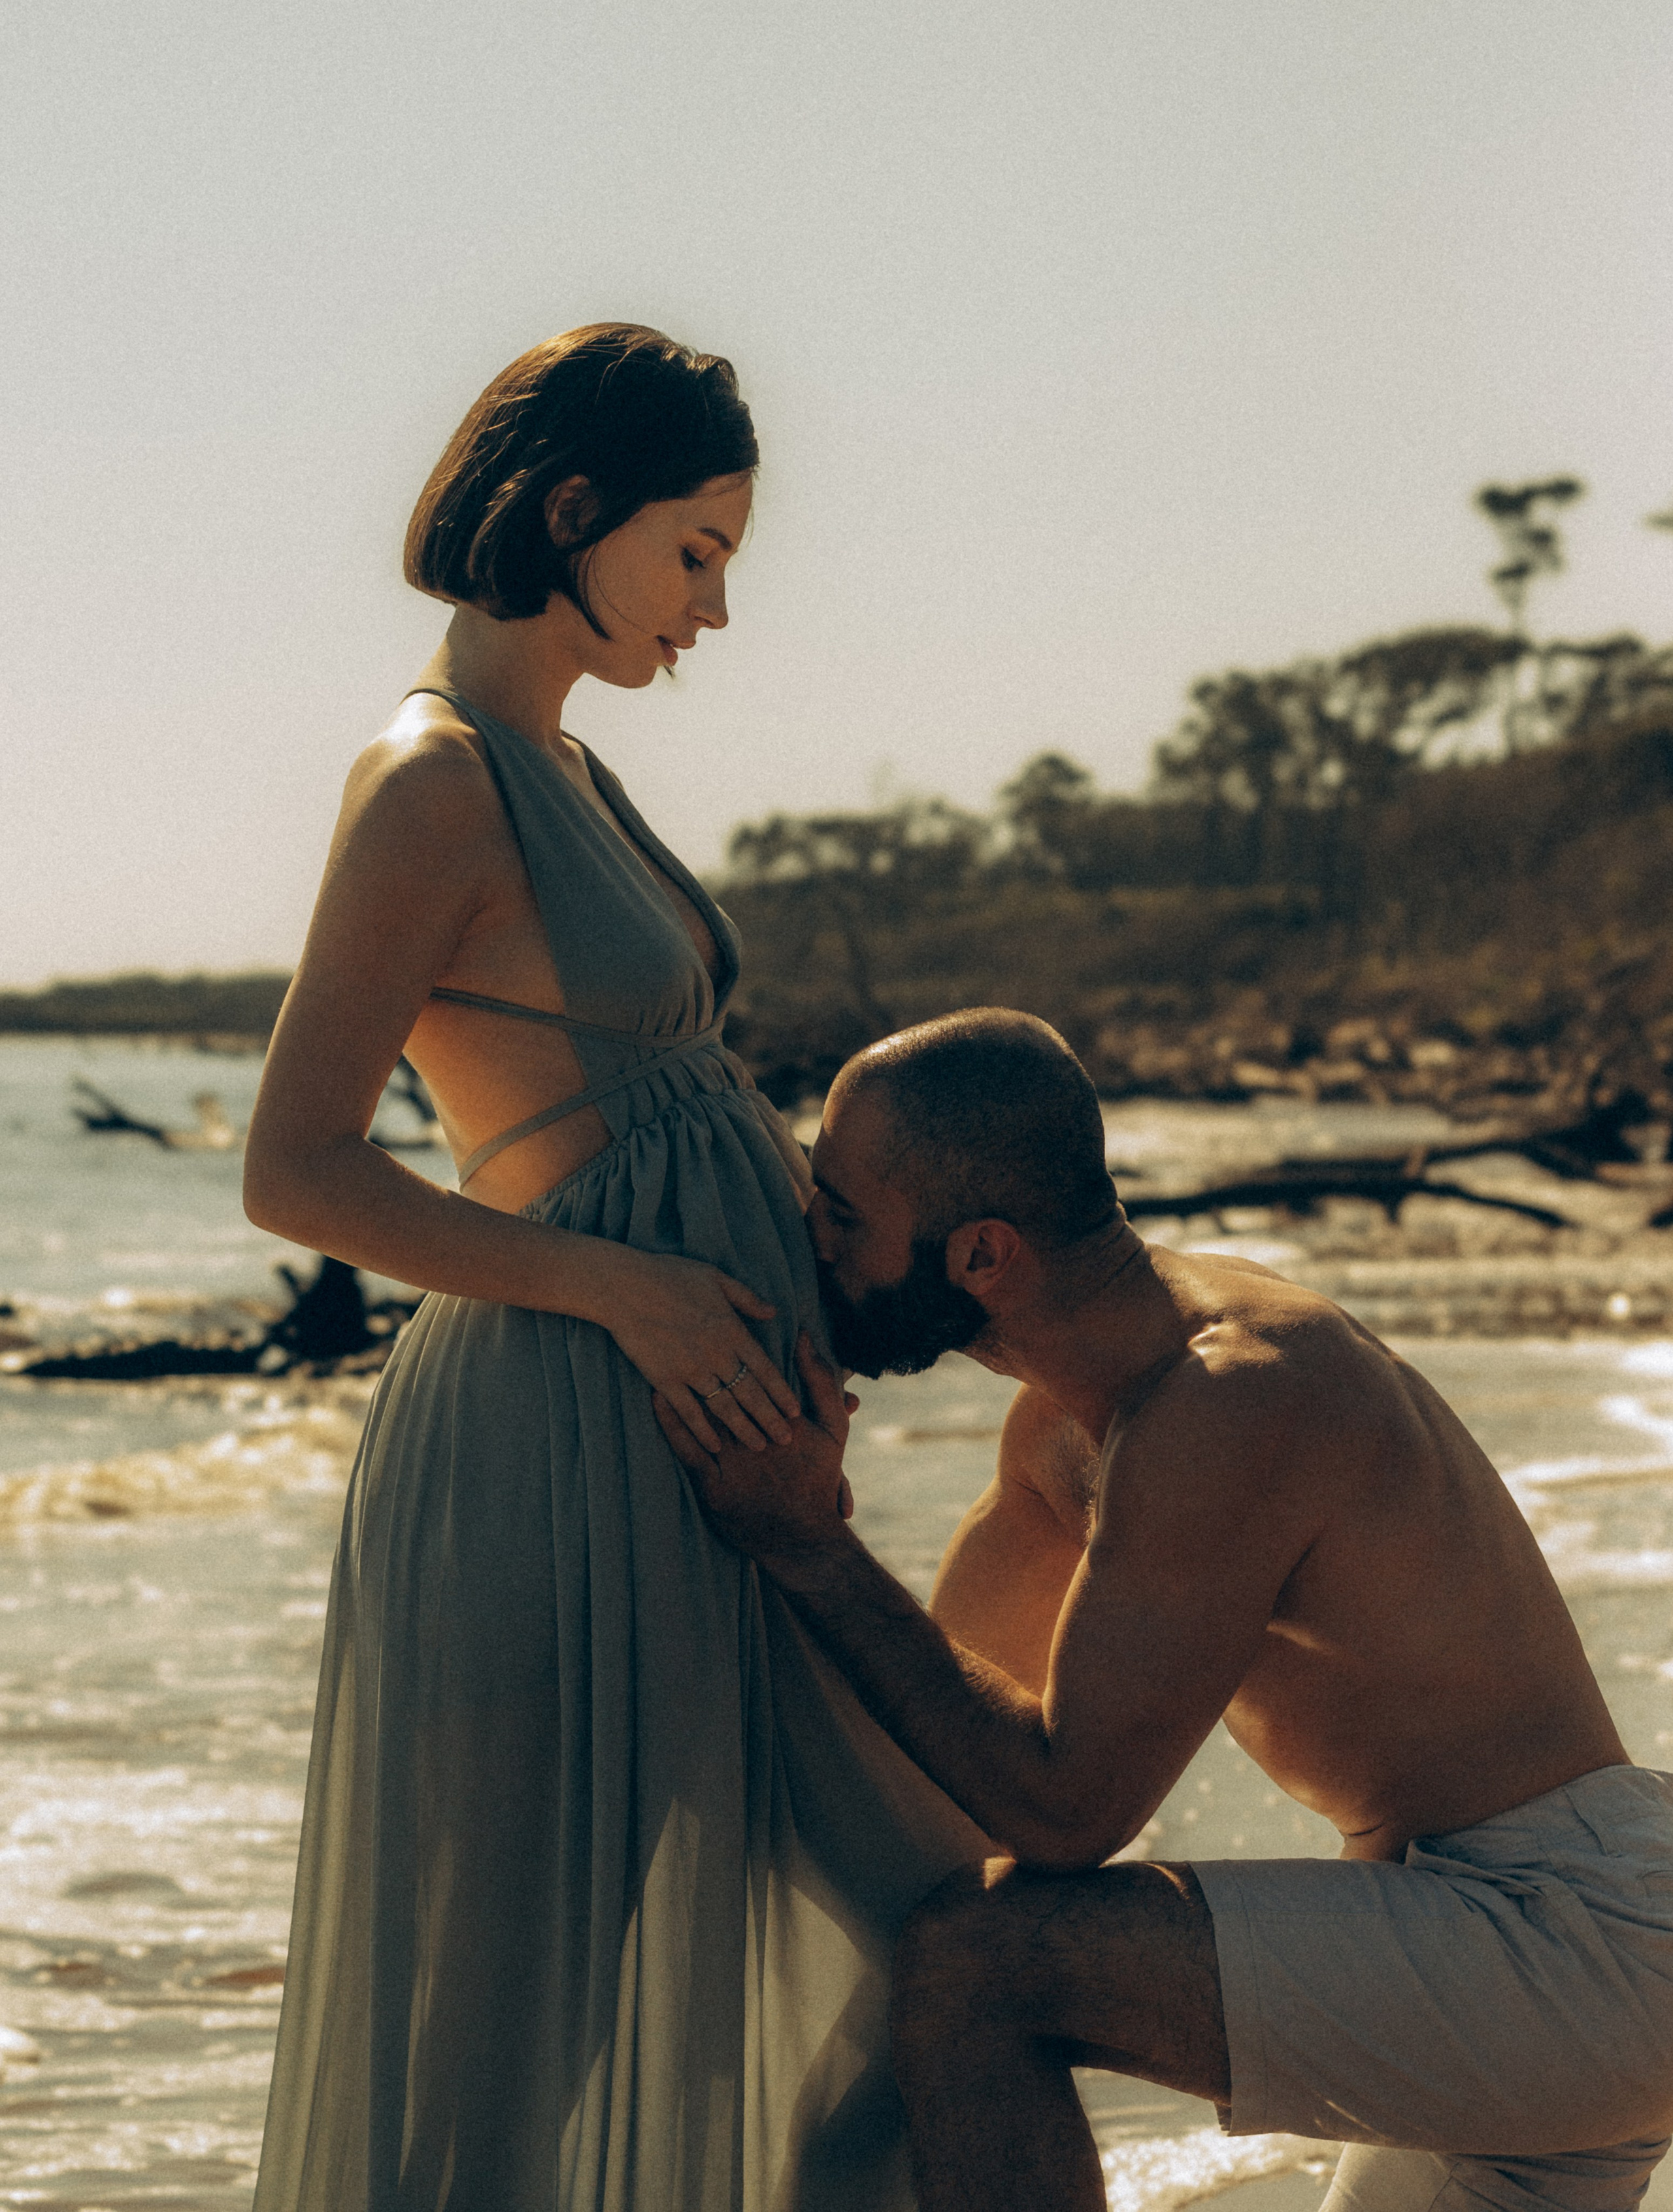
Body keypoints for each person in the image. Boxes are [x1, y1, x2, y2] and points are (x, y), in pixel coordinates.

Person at [243, 325, 986, 2212]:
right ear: (573, 511)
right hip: (550, 1452)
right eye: (698, 551)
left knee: (929, 1908)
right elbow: (296, 1167)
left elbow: (659, 1106)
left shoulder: (567, 762)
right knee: (509, 2027)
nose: (716, 608)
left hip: (684, 1457)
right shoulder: (430, 783)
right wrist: (634, 1294)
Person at [655, 1007, 1673, 2212]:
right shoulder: (1068, 1431)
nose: (806, 1240)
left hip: (1566, 1936)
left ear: (981, 1257)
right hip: (1485, 1940)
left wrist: (811, 1547)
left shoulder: (1227, 1402)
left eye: (839, 1216)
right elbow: (937, 1742)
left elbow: (1062, 1810)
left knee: (980, 1969)